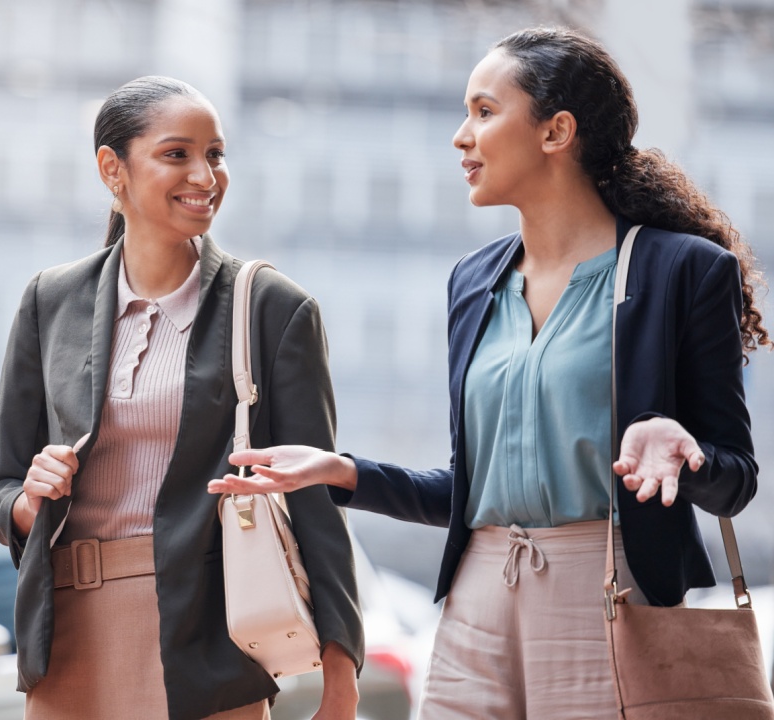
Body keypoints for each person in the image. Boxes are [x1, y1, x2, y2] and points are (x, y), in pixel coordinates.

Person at [209, 27, 768, 720]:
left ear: (556, 131)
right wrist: (343, 472)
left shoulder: (681, 270)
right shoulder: (475, 281)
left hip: (610, 600)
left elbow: (736, 478)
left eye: (483, 111)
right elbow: (468, 491)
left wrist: (684, 454)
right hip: (474, 607)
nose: (461, 136)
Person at [0, 76, 364, 720]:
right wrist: (29, 501)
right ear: (113, 168)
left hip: (204, 646)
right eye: (176, 153)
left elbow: (315, 499)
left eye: (215, 154)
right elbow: (0, 488)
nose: (205, 175)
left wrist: (341, 677)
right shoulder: (51, 300)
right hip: (66, 638)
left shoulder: (270, 307)